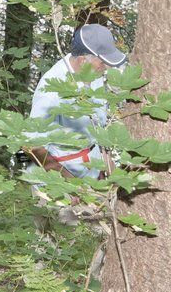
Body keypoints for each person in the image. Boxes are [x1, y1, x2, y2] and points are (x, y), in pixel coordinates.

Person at [26, 24, 127, 181]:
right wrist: (71, 186)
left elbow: (95, 125)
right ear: (82, 60)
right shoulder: (51, 92)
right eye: (102, 62)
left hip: (91, 170)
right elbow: (32, 146)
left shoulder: (94, 74)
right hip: (57, 178)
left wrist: (107, 168)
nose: (105, 67)